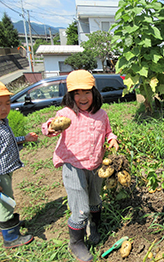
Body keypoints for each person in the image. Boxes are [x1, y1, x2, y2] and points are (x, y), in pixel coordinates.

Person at [42, 70, 119, 262]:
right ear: (70, 96)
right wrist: (50, 127)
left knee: (95, 199)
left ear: (95, 93)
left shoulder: (102, 114)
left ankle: (94, 225)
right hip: (72, 166)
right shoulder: (65, 113)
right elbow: (49, 126)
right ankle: (75, 242)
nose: (82, 97)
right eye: (77, 93)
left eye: (86, 92)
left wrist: (112, 139)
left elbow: (108, 131)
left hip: (94, 165)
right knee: (81, 208)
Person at [0, 82, 38, 248]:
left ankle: (8, 228)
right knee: (6, 202)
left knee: (5, 201)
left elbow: (7, 144)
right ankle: (11, 238)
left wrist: (25, 138)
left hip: (6, 170)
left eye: (7, 103)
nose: (4, 108)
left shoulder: (3, 122)